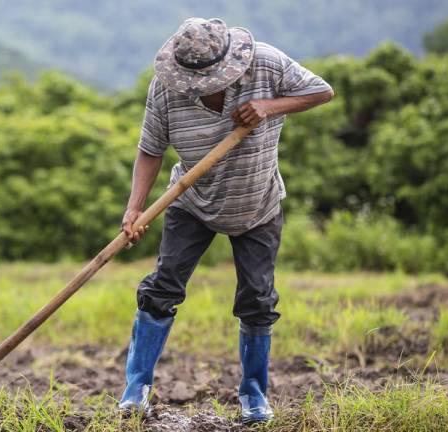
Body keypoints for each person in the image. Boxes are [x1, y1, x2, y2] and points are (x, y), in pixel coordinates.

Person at [118, 17, 334, 424]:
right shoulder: (166, 88)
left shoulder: (267, 64)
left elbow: (321, 91)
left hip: (257, 203)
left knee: (257, 299)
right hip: (191, 200)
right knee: (161, 288)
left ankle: (254, 396)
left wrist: (269, 107)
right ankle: (135, 392)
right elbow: (150, 149)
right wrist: (135, 208)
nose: (201, 88)